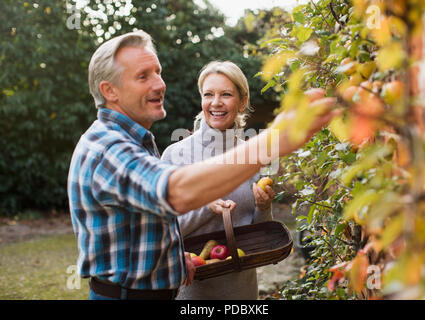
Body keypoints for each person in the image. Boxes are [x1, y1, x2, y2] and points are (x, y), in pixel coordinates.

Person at [67, 30, 338, 300]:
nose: (160, 84)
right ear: (109, 91)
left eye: (157, 72)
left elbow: (147, 225)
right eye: (143, 76)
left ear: (242, 101)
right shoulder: (109, 149)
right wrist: (272, 142)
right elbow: (175, 193)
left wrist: (172, 257)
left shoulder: (135, 142)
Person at [161, 61, 274, 299]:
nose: (216, 102)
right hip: (190, 290)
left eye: (226, 94)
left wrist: (264, 208)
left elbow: (258, 236)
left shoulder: (253, 157)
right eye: (208, 94)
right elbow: (163, 229)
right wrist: (206, 206)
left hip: (241, 290)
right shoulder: (175, 156)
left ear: (242, 102)